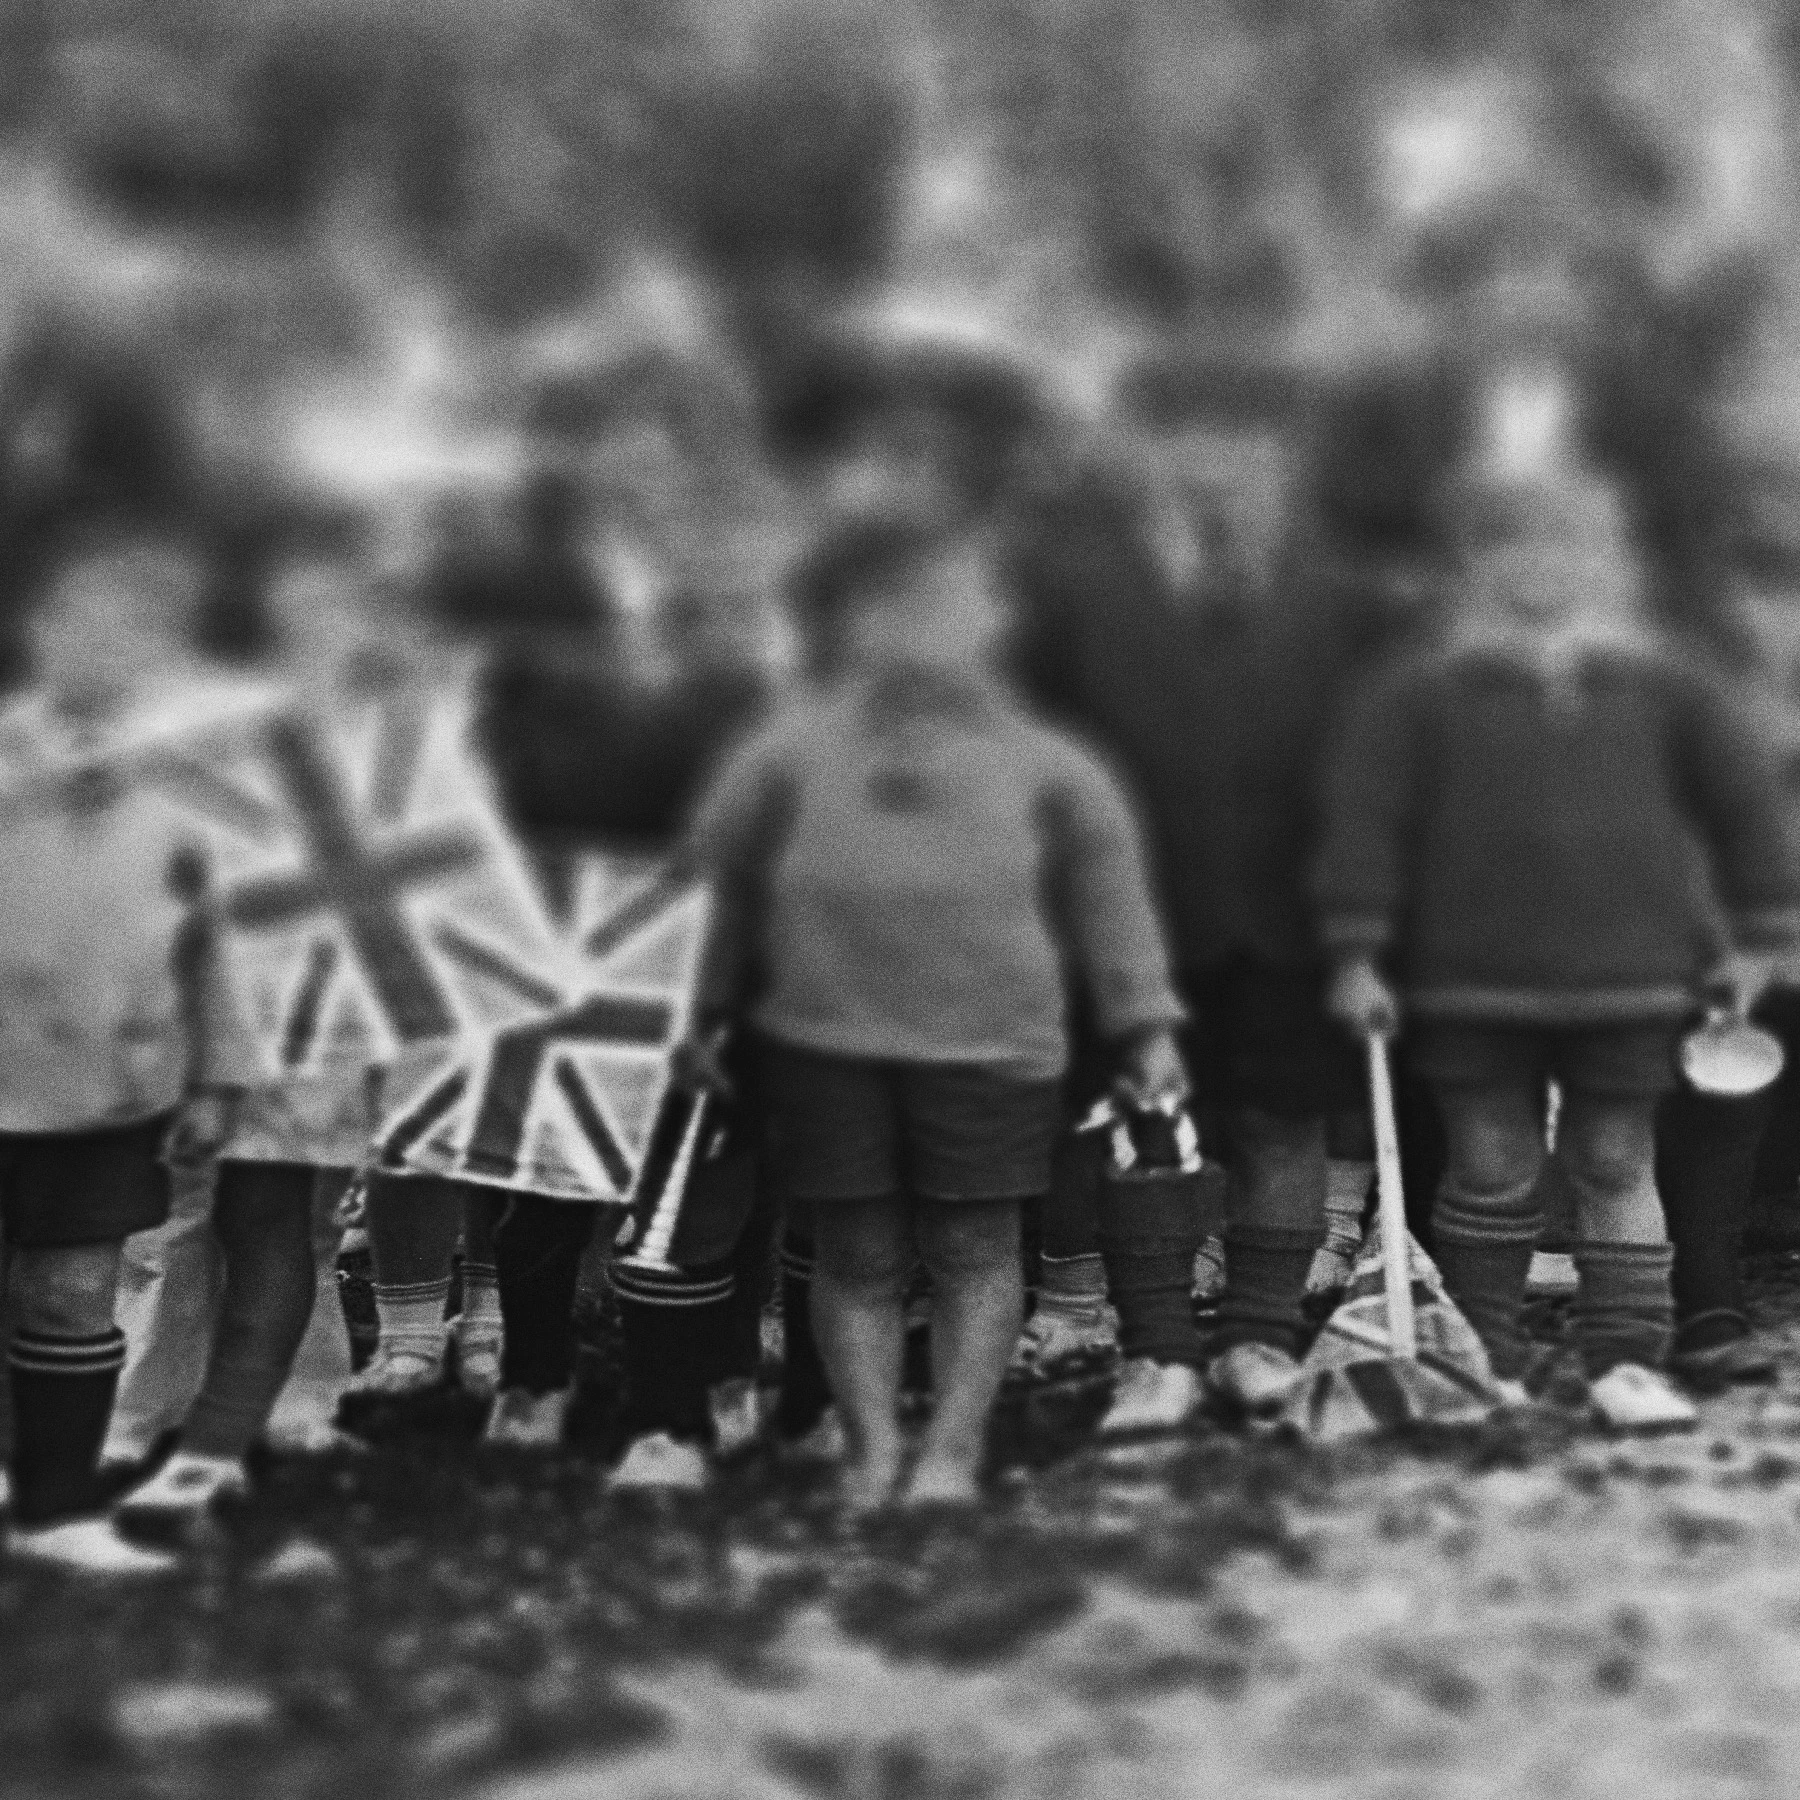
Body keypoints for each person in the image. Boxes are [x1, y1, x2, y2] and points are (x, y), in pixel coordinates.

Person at [679, 511, 1186, 1511]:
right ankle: (871, 1450)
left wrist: (1147, 1024)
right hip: (824, 1045)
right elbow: (716, 883)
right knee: (858, 1254)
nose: (922, 630)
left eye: (952, 606)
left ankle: (951, 1452)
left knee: (974, 1251)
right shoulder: (785, 750)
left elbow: (1111, 896)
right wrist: (698, 1010)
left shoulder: (1051, 762)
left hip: (993, 1050)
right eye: (897, 610)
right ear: (854, 624)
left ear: (994, 622)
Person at [1315, 468, 1799, 1430]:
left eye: (1568, 542)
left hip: (1632, 981)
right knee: (1488, 1167)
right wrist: (1358, 950)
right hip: (1468, 980)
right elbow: (1365, 822)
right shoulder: (1418, 690)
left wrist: (1765, 934)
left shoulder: (1667, 685)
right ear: (1472, 564)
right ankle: (1486, 1356)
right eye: (1511, 543)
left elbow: (1745, 813)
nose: (1541, 565)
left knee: (1616, 1161)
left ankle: (1627, 1358)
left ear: (1610, 558)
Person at [0, 520, 261, 1574]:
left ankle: (59, 1509)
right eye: (86, 627)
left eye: (135, 638)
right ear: (42, 630)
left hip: (110, 1086)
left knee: (72, 1289)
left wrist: (220, 1072)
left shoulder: (193, 787)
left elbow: (220, 939)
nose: (106, 652)